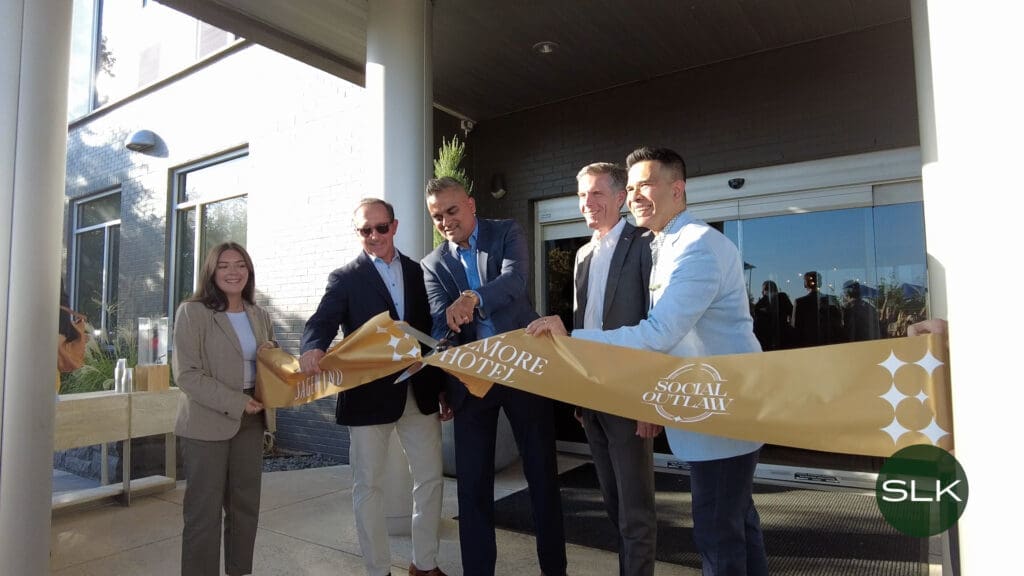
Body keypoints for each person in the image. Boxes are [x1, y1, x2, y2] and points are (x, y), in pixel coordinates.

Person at [527, 147, 768, 576]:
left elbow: (658, 332)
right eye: (633, 185)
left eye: (645, 184)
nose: (637, 194)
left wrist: (574, 339)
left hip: (721, 411)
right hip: (702, 412)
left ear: (677, 189)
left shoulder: (692, 246)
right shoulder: (663, 243)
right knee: (736, 526)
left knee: (717, 534)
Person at [420, 177, 567, 576]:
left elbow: (516, 282)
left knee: (542, 482)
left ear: (470, 203)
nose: (446, 221)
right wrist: (445, 346)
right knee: (472, 490)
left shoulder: (507, 232)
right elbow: (438, 323)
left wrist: (472, 298)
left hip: (526, 374)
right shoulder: (433, 264)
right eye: (437, 216)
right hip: (472, 384)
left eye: (451, 211)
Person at [299, 198, 447, 576]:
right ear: (358, 233)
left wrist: (444, 386)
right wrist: (312, 347)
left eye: (381, 228)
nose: (374, 236)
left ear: (394, 227)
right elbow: (322, 320)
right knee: (368, 486)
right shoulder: (345, 278)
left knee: (430, 478)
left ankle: (424, 563)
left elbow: (432, 330)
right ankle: (377, 570)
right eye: (366, 230)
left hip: (420, 390)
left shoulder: (419, 271)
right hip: (368, 395)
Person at [572, 162, 658, 576]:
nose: (588, 203)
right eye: (583, 195)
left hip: (629, 395)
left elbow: (656, 325)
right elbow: (583, 325)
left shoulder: (644, 243)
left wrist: (650, 399)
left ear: (621, 197)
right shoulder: (582, 254)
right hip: (591, 396)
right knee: (612, 502)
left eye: (597, 193)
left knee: (636, 511)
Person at [172, 241, 278, 576]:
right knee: (203, 514)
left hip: (253, 419)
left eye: (240, 264)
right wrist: (236, 402)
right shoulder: (193, 312)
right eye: (224, 265)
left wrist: (270, 352)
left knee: (245, 508)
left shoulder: (258, 315)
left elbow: (270, 361)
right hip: (207, 423)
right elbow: (186, 374)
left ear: (249, 270)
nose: (233, 272)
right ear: (211, 272)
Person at [792, 270, 844, 347]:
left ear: (805, 284)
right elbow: (839, 323)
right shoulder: (832, 299)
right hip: (831, 343)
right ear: (821, 283)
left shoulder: (800, 302)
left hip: (809, 344)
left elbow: (796, 328)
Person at [752, 280, 794, 351]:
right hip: (784, 340)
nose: (762, 293)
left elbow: (757, 327)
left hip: (767, 343)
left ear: (765, 290)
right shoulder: (783, 297)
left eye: (763, 290)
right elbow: (792, 314)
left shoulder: (760, 304)